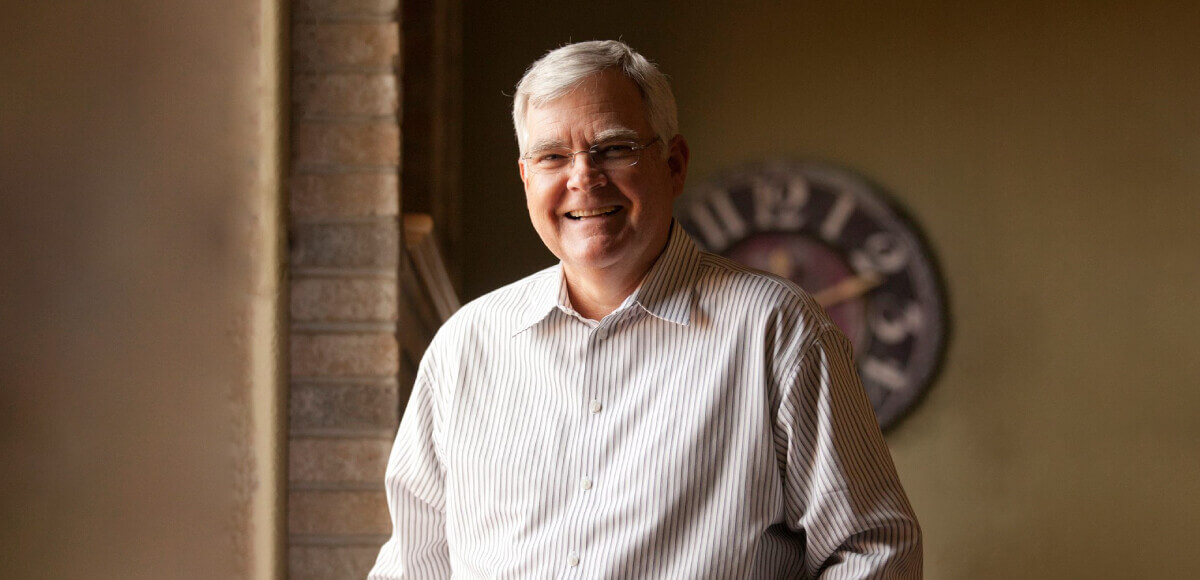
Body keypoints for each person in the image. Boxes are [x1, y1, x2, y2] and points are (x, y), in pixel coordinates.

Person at [369, 40, 921, 579]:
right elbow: (413, 563)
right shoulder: (466, 344)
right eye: (553, 156)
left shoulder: (776, 330)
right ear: (526, 178)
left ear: (674, 164)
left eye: (613, 148)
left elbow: (873, 551)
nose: (583, 178)